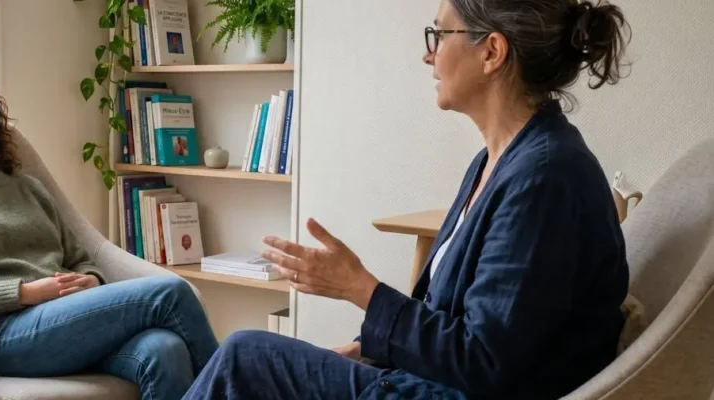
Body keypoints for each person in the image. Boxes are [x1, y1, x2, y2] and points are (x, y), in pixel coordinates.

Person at [182, 0, 631, 399]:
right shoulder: (497, 160)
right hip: (439, 379)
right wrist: (365, 349)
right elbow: (452, 314)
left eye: (439, 34)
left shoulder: (545, 177)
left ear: (492, 52)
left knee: (246, 355)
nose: (428, 54)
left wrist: (359, 288)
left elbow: (486, 363)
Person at [0, 63, 219, 400]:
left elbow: (79, 258)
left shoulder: (27, 188)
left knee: (165, 350)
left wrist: (91, 279)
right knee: (170, 291)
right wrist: (24, 293)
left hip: (65, 318)